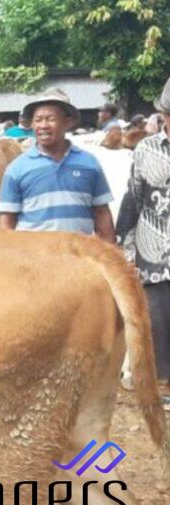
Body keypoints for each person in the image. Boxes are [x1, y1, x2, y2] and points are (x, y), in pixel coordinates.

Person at [0, 88, 115, 242]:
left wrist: (110, 253)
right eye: (38, 120)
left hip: (79, 256)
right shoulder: (17, 168)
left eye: (50, 119)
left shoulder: (89, 163)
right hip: (35, 259)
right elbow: (7, 221)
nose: (43, 125)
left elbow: (101, 213)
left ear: (68, 122)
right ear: (31, 124)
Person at [116, 76, 170, 407]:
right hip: (153, 251)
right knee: (158, 320)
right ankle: (161, 383)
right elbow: (132, 199)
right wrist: (126, 247)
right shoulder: (147, 149)